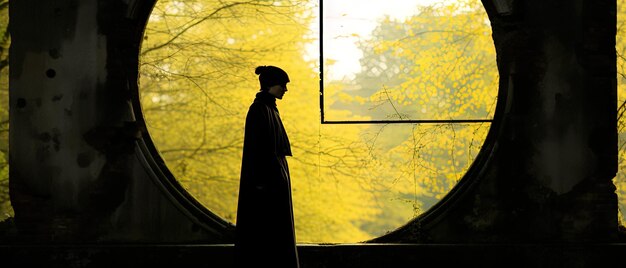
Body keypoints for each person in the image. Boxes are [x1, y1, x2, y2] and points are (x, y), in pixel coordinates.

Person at [234, 65, 300, 268]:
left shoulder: (267, 108)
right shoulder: (260, 110)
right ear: (272, 84)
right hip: (267, 185)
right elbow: (257, 150)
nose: (285, 89)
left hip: (271, 182)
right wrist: (262, 183)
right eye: (283, 85)